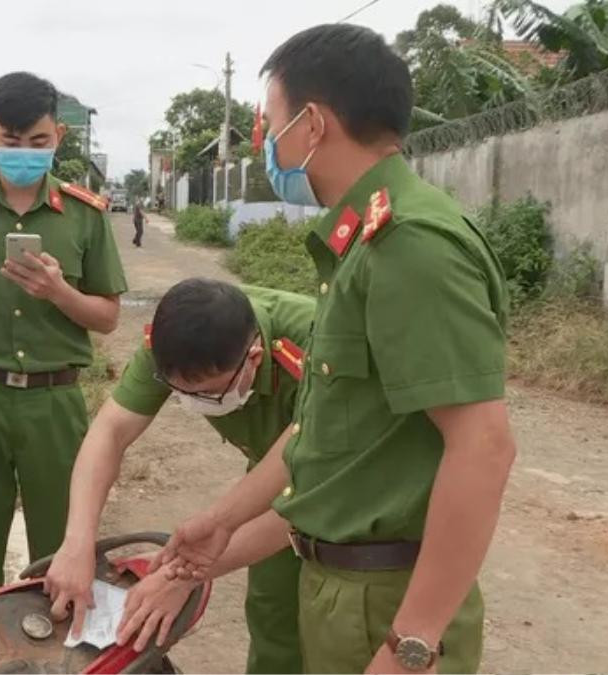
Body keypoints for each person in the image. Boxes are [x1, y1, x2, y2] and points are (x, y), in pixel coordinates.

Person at [145, 24, 516, 674]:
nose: (266, 146)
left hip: (386, 602)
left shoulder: (410, 243)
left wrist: (414, 642)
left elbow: (482, 445)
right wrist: (222, 521)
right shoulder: (360, 244)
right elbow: (321, 433)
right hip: (342, 590)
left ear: (312, 125)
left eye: (270, 126)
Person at [0, 71, 128, 596]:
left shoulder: (85, 215)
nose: (24, 153)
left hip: (53, 403)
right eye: (11, 141)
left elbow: (106, 316)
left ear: (58, 136)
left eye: (38, 142)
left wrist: (59, 292)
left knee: (60, 555)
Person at [45, 278, 312, 673]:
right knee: (274, 625)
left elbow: (311, 492)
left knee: (341, 639)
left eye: (209, 395)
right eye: (180, 393)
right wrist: (77, 542)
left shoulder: (314, 344)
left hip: (360, 488)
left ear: (253, 357)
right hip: (273, 477)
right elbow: (110, 432)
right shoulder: (174, 342)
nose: (193, 404)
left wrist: (181, 576)